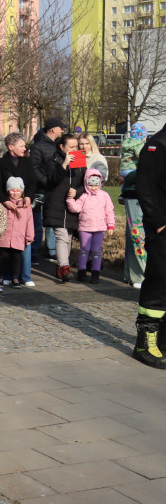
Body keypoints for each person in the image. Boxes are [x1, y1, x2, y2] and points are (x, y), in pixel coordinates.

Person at [133, 122, 166, 368]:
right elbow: (145, 187)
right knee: (159, 279)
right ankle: (145, 342)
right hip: (162, 227)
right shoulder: (157, 145)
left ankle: (162, 341)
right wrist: (158, 222)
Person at [44, 133, 84, 283]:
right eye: (71, 147)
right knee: (61, 235)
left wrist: (77, 191)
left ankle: (60, 268)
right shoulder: (53, 161)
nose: (74, 150)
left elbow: (84, 183)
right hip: (56, 204)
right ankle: (65, 267)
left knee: (67, 238)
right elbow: (53, 179)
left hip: (71, 205)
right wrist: (64, 164)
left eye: (76, 147)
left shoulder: (80, 160)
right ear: (62, 147)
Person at [66, 168, 114, 284]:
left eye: (96, 185)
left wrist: (110, 225)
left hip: (99, 228)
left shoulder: (104, 196)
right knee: (84, 250)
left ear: (100, 183)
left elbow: (109, 211)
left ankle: (95, 273)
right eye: (91, 185)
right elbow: (76, 208)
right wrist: (70, 199)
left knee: (96, 251)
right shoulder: (83, 196)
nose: (93, 188)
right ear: (86, 183)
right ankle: (82, 272)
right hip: (85, 228)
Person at [32, 116, 68, 262]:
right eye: (61, 128)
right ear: (53, 129)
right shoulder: (39, 146)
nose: (63, 130)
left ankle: (51, 251)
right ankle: (34, 254)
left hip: (55, 189)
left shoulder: (57, 145)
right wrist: (47, 182)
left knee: (54, 221)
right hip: (41, 190)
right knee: (38, 224)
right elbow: (34, 168)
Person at [120, 123, 148, 288]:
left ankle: (130, 273)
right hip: (136, 191)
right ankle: (138, 275)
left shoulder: (127, 143)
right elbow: (145, 165)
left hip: (132, 190)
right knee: (137, 232)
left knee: (133, 233)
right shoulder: (141, 145)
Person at [0, 177, 34, 289]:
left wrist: (29, 237)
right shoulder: (4, 205)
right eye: (12, 190)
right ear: (8, 191)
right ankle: (3, 276)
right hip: (5, 237)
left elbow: (30, 223)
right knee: (4, 258)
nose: (15, 193)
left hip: (19, 238)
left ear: (22, 191)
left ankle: (15, 277)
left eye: (18, 190)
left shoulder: (26, 207)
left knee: (16, 259)